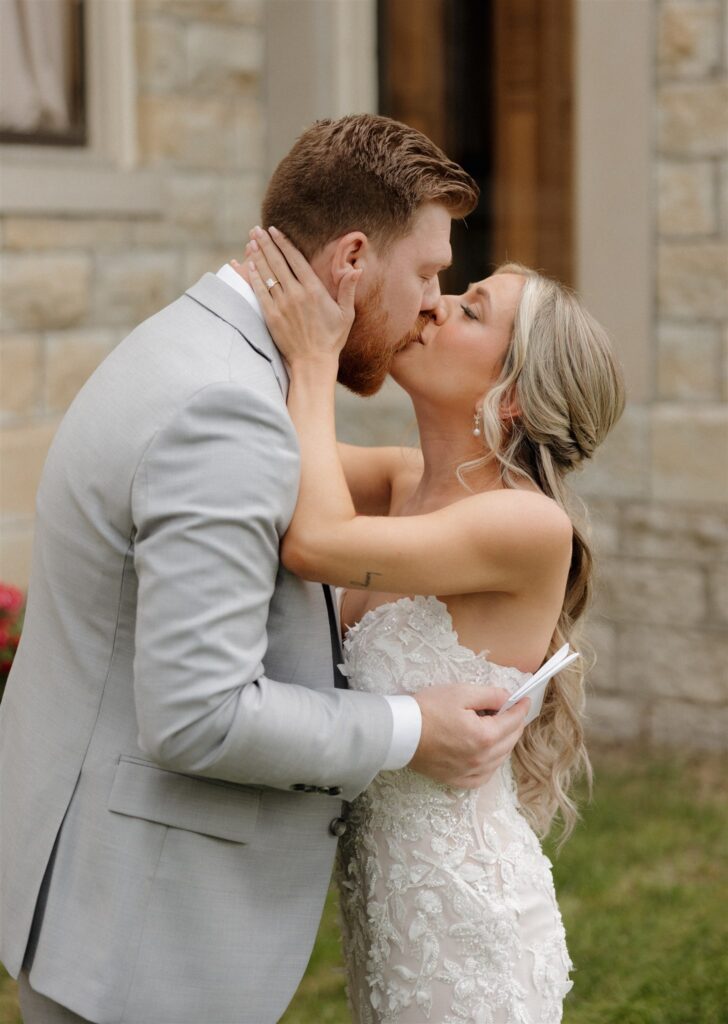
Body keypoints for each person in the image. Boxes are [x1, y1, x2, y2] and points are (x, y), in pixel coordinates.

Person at [0, 115, 530, 1024]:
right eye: (427, 274)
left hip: (98, 896)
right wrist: (412, 727)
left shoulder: (196, 340)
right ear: (352, 259)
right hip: (146, 942)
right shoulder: (228, 412)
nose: (432, 304)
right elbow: (199, 716)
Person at [241, 227, 626, 1022]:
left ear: (511, 393)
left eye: (470, 310)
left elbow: (315, 543)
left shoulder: (527, 525)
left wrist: (315, 360)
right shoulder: (403, 478)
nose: (435, 306)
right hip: (388, 918)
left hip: (467, 924)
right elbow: (257, 450)